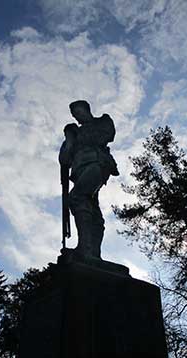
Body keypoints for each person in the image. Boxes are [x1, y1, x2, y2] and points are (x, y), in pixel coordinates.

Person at [59, 100, 119, 260]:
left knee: (77, 198)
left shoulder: (102, 121)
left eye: (79, 113)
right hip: (79, 172)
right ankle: (93, 253)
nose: (77, 118)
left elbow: (107, 135)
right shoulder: (74, 133)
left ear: (86, 110)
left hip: (97, 163)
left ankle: (85, 249)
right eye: (74, 115)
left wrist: (79, 135)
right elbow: (64, 160)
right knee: (91, 208)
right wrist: (70, 139)